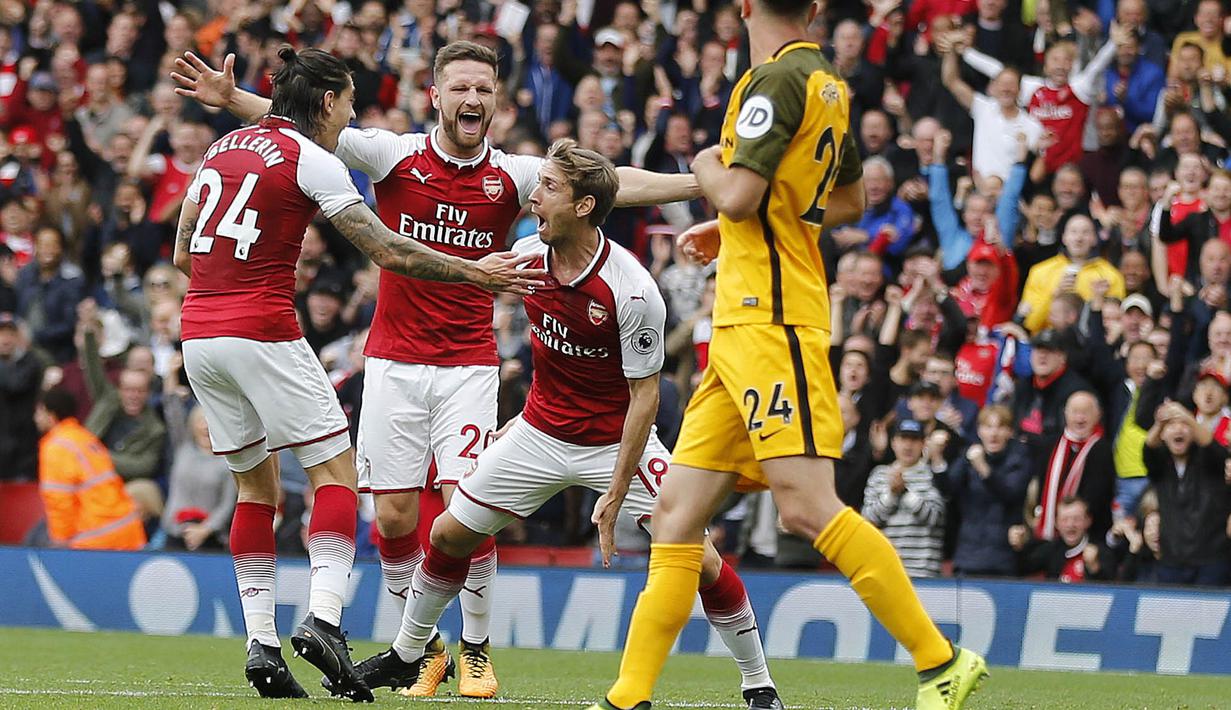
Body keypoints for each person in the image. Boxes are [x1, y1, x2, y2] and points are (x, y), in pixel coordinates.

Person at [173, 41, 700, 698]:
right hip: (391, 359)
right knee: (392, 516)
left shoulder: (515, 173)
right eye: (461, 88)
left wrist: (704, 184)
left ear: (498, 100)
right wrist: (237, 100)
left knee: (465, 508)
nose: (472, 99)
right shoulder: (393, 154)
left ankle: (476, 649)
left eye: (484, 89)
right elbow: (311, 126)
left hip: (468, 365)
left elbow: (613, 183)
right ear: (436, 95)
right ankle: (422, 647)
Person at [593, 0, 987, 708]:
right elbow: (848, 200)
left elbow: (739, 191)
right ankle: (627, 698)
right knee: (676, 517)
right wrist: (738, 224)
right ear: (811, 8)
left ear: (743, 6)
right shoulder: (827, 83)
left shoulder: (769, 82)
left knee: (807, 508)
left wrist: (710, 169)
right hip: (741, 330)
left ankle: (940, 660)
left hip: (773, 324)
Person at [351, 140, 784, 710]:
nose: (532, 196)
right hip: (538, 434)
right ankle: (409, 652)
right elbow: (508, 322)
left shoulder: (631, 290)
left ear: (583, 206)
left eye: (549, 187)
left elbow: (645, 396)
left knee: (696, 557)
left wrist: (618, 487)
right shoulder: (528, 257)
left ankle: (759, 683)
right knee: (448, 535)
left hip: (614, 444)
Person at [170, 46, 542, 702]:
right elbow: (385, 247)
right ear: (324, 103)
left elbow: (181, 251)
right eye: (346, 102)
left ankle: (261, 646)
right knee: (335, 475)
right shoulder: (314, 158)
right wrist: (475, 270)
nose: (352, 115)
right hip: (263, 328)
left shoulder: (219, 150)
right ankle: (324, 620)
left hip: (198, 331)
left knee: (256, 491)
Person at [35, 387, 146, 551]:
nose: (35, 418)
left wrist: (59, 544)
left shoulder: (56, 447)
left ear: (50, 415)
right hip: (127, 530)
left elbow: (59, 502)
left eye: (38, 412)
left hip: (96, 539)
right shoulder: (85, 437)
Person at [1143, 401, 1231, 586]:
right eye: (1171, 425)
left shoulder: (1209, 459)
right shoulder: (1160, 463)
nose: (1178, 430)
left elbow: (1214, 448)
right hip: (1172, 561)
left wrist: (1187, 417)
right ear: (1163, 435)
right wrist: (1160, 422)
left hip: (1211, 560)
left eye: (1183, 425)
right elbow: (1148, 448)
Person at [861, 419, 947, 578]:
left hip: (924, 571)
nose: (908, 446)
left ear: (923, 444)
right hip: (886, 570)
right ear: (893, 443)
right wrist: (891, 495)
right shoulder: (879, 474)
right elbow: (868, 520)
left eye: (913, 440)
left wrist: (905, 493)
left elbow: (936, 518)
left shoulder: (932, 475)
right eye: (903, 439)